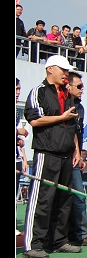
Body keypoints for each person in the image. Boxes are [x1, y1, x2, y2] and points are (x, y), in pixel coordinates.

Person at [22, 55, 82, 258]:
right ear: (50, 69)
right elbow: (35, 120)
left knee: (64, 199)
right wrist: (61, 117)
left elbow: (72, 125)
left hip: (66, 154)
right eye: (63, 70)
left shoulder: (67, 94)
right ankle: (33, 244)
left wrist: (76, 149)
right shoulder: (38, 91)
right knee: (42, 198)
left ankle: (59, 241)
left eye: (67, 71)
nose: (66, 74)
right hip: (46, 153)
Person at [66, 71, 87, 247]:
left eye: (82, 86)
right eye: (79, 86)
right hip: (58, 156)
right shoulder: (61, 104)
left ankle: (82, 234)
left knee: (79, 196)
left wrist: (79, 154)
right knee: (60, 198)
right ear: (68, 86)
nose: (82, 89)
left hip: (74, 158)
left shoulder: (80, 107)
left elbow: (77, 133)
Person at [16, 78, 29, 236]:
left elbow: (21, 141)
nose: (18, 92)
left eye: (19, 89)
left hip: (17, 159)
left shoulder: (16, 112)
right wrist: (18, 132)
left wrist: (24, 159)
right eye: (16, 89)